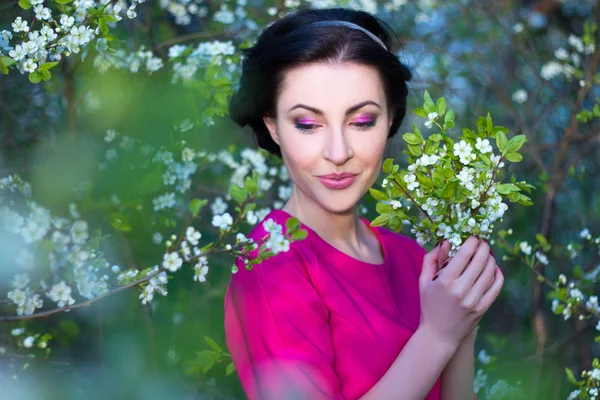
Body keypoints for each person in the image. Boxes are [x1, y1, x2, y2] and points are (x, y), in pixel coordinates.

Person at [224, 7, 504, 400]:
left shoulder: (413, 260)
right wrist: (438, 335)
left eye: (361, 122)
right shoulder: (270, 264)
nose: (338, 152)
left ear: (391, 118)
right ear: (273, 126)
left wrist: (463, 323)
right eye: (307, 124)